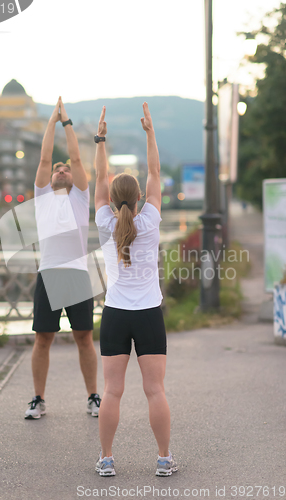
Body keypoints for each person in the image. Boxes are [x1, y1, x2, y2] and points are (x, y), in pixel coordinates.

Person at [93, 103, 178, 476]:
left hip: (114, 316)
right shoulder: (152, 219)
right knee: (154, 390)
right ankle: (163, 460)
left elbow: (100, 174)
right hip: (148, 316)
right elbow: (156, 170)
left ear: (111, 200)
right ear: (141, 194)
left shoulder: (102, 221)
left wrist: (101, 139)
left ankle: (107, 461)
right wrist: (150, 132)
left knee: (111, 392)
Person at [25, 97, 101, 419]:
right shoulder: (43, 197)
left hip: (77, 275)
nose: (61, 169)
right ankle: (38, 399)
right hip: (49, 274)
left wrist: (67, 122)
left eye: (65, 169)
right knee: (43, 338)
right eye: (58, 169)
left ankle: (93, 396)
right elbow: (44, 158)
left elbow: (77, 157)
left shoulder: (80, 198)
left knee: (84, 337)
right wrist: (51, 122)